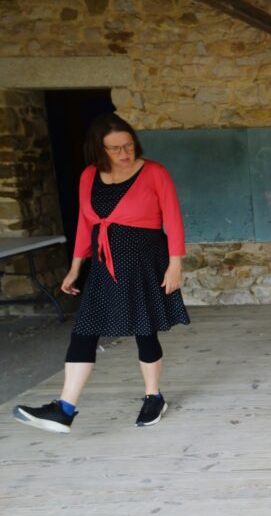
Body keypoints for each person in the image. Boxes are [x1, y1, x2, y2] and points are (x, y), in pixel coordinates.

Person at [13, 113, 189, 432]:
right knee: (84, 330)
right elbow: (86, 224)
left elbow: (173, 219)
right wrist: (75, 267)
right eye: (115, 148)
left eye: (129, 145)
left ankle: (154, 396)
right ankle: (64, 408)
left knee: (143, 329)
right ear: (99, 149)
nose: (125, 153)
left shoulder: (154, 172)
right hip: (104, 265)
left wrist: (175, 264)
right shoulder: (89, 176)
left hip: (145, 261)